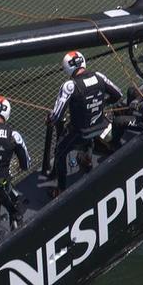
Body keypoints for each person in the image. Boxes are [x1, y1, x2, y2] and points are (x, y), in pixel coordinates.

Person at [50, 51, 124, 190]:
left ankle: (61, 189)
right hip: (100, 126)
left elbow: (57, 116)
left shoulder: (70, 86)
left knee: (60, 152)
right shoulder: (99, 76)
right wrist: (102, 104)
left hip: (81, 132)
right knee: (88, 126)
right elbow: (118, 94)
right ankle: (87, 159)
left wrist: (50, 117)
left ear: (67, 67)